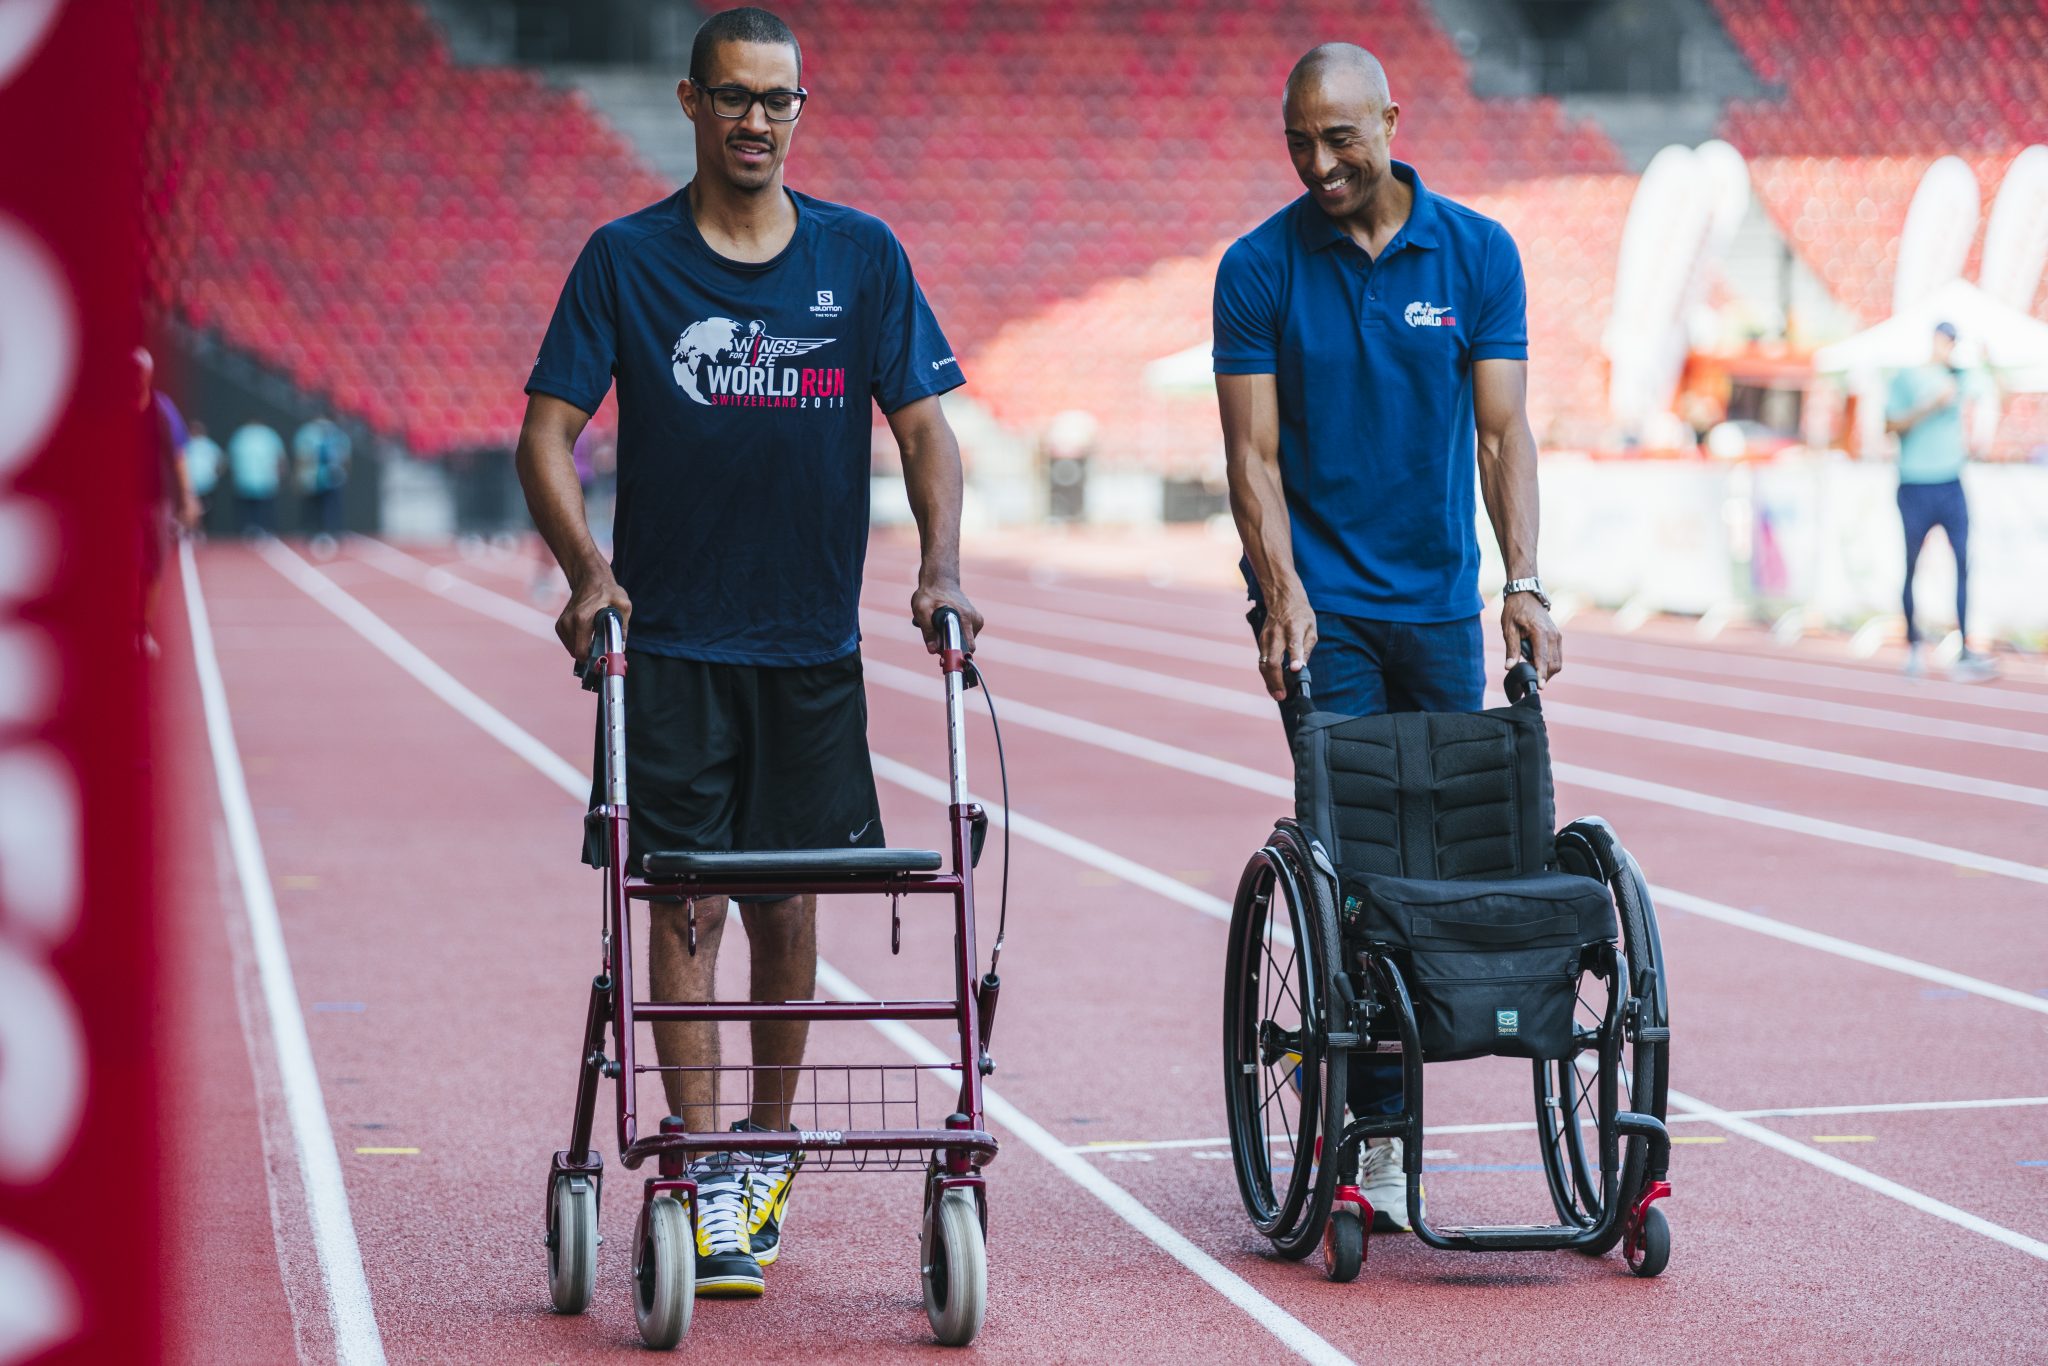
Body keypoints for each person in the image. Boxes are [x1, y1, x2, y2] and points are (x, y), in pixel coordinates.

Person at [516, 6, 980, 1299]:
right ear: (690, 102)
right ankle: (698, 1158)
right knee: (687, 899)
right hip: (669, 646)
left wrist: (939, 563)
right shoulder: (625, 262)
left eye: (781, 100)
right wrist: (588, 575)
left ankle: (762, 1154)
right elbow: (544, 436)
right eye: (735, 98)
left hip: (810, 647)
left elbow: (930, 432)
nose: (759, 121)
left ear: (799, 109)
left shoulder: (862, 257)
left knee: (787, 903)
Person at [1213, 43, 1563, 1231]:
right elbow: (1250, 457)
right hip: (1327, 616)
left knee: (1448, 857)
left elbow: (1502, 434)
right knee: (1356, 867)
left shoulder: (1477, 254)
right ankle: (1368, 1116)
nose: (1318, 165)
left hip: (1441, 607)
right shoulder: (1255, 269)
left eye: (1340, 140)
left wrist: (1523, 580)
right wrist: (1280, 590)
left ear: (1390, 123)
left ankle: (1407, 1078)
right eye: (1297, 144)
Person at [1885, 321, 1997, 682]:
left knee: (1964, 562)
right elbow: (1890, 425)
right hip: (1915, 482)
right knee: (1912, 564)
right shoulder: (1907, 377)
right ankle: (1913, 645)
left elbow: (1996, 394)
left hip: (1951, 481)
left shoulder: (1962, 376)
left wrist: (1987, 361)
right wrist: (1930, 406)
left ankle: (1964, 647)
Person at [292, 414, 352, 537]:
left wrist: (299, 475)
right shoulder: (335, 434)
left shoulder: (309, 433)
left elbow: (301, 457)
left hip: (323, 476)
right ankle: (326, 531)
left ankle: (322, 531)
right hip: (321, 476)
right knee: (321, 505)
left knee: (323, 505)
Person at [227, 418, 286, 536]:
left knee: (254, 508)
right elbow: (280, 458)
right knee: (259, 508)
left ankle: (254, 530)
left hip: (250, 479)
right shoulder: (268, 434)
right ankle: (259, 529)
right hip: (260, 478)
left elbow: (231, 457)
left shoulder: (241, 434)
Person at [184, 420, 223, 529]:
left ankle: (201, 531)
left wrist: (215, 475)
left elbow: (220, 461)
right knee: (195, 509)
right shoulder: (187, 444)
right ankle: (194, 530)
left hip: (204, 484)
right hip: (194, 484)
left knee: (205, 510)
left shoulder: (207, 445)